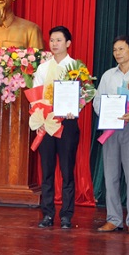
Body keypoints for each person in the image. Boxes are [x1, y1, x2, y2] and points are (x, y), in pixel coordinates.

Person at [92, 35, 129, 235]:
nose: (117, 53)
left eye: (121, 49)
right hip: (110, 130)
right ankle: (113, 219)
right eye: (115, 50)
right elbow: (97, 101)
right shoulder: (108, 75)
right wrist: (106, 113)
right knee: (111, 176)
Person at [32, 26, 83, 230]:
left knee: (67, 170)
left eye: (59, 40)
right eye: (52, 40)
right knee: (46, 171)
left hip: (67, 123)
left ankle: (66, 216)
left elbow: (84, 94)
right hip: (46, 123)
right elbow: (35, 97)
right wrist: (37, 119)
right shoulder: (43, 68)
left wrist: (75, 107)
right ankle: (47, 214)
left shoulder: (76, 67)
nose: (54, 44)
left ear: (68, 43)